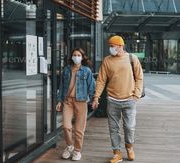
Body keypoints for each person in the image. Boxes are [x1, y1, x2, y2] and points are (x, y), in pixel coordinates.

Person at [92, 35, 143, 163]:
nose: (110, 48)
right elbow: (101, 80)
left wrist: (136, 95)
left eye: (112, 46)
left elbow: (139, 77)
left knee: (129, 127)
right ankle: (117, 152)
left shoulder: (132, 58)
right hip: (112, 100)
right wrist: (96, 97)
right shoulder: (107, 61)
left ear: (120, 46)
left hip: (129, 100)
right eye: (109, 46)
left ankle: (129, 147)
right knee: (113, 128)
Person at [56, 47, 95, 161]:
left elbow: (91, 86)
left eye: (79, 55)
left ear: (82, 57)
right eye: (74, 55)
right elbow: (62, 86)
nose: (76, 57)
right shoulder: (67, 70)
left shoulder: (86, 71)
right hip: (67, 101)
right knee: (66, 126)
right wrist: (59, 101)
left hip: (81, 102)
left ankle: (77, 151)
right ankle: (69, 146)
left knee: (79, 129)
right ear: (71, 57)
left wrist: (94, 99)